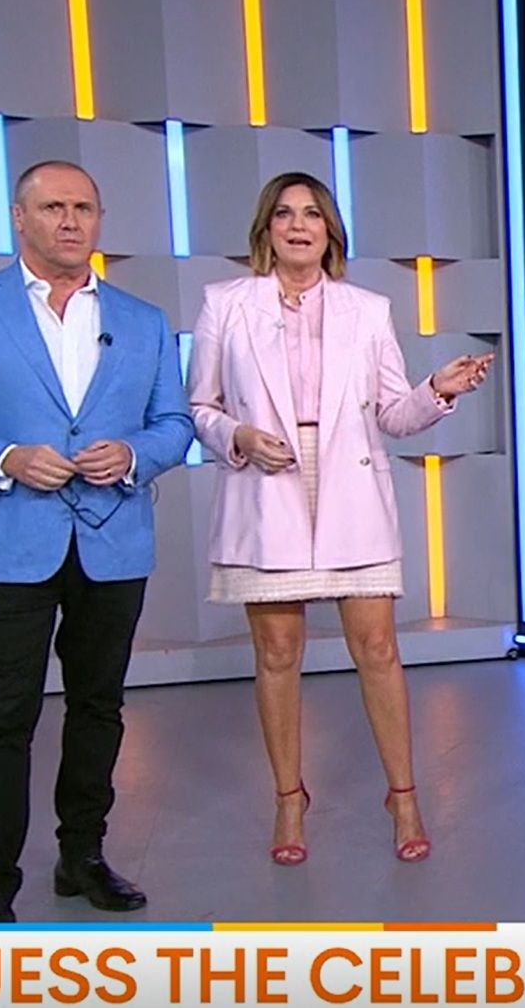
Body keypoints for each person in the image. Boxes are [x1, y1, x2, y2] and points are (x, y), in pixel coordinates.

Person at [0, 161, 194, 923]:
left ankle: (82, 856)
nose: (70, 220)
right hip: (8, 542)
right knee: (2, 715)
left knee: (98, 706)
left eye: (84, 207)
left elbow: (176, 424)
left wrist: (133, 454)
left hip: (111, 542)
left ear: (99, 220)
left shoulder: (144, 320)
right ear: (19, 218)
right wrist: (5, 457)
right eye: (53, 206)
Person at [186, 172, 493, 866]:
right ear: (266, 229)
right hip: (266, 485)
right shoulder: (224, 304)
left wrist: (437, 389)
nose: (299, 225)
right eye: (285, 214)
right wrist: (238, 435)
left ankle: (403, 796)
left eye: (312, 214)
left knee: (377, 648)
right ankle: (289, 799)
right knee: (277, 653)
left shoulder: (367, 309)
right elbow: (199, 405)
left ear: (330, 231)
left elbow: (393, 415)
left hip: (348, 489)